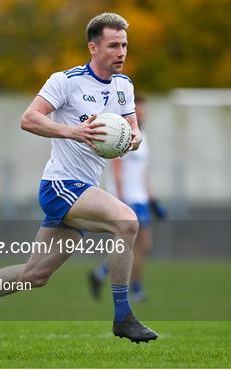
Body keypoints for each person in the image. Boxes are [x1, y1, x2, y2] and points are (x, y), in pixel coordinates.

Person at [0, 12, 158, 346]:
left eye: (125, 45)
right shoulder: (66, 81)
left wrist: (131, 138)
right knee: (126, 222)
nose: (121, 52)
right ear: (93, 47)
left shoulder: (124, 86)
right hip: (61, 186)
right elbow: (29, 119)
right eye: (114, 45)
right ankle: (123, 316)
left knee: (34, 275)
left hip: (86, 190)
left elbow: (135, 132)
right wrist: (74, 131)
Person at [88, 96, 167, 302]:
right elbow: (117, 168)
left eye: (144, 109)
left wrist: (152, 199)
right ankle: (135, 290)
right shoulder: (122, 132)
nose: (142, 112)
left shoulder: (142, 137)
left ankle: (101, 273)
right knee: (137, 245)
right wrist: (121, 199)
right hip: (128, 198)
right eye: (139, 108)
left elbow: (142, 172)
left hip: (140, 198)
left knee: (139, 246)